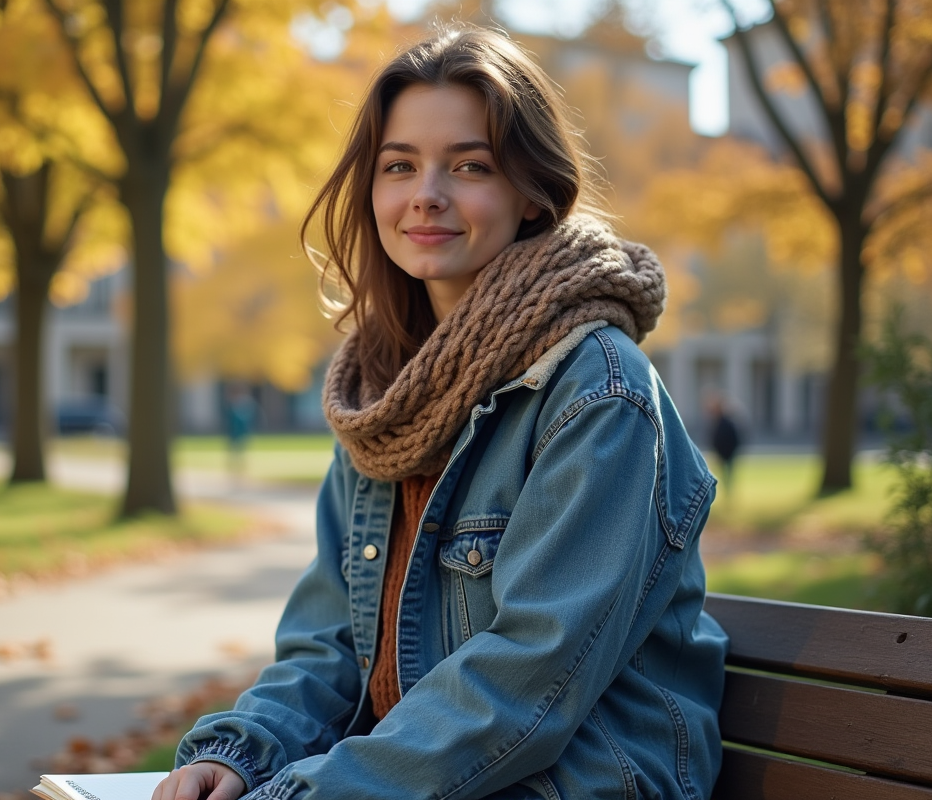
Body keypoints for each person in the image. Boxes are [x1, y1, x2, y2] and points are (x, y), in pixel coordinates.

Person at [155, 25, 727, 800]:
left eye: (470, 165)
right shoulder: (386, 398)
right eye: (399, 166)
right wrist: (240, 756)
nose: (427, 191)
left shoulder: (598, 392)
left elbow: (525, 685)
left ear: (532, 194)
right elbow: (330, 647)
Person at [707, 395, 742, 495]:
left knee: (727, 475)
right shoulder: (717, 422)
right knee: (723, 475)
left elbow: (734, 438)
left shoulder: (726, 423)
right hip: (722, 453)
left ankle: (728, 492)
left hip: (727, 453)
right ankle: (726, 492)